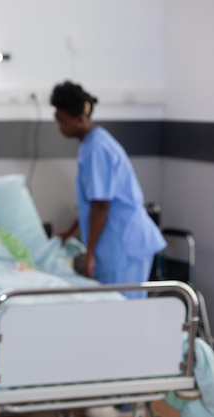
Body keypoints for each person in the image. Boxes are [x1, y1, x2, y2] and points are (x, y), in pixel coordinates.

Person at [50, 80, 166, 301]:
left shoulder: (97, 149)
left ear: (79, 118)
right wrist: (72, 229)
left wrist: (90, 252)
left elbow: (101, 205)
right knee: (113, 311)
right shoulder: (89, 144)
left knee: (122, 311)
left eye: (62, 122)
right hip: (116, 241)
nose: (60, 129)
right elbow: (90, 202)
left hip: (124, 245)